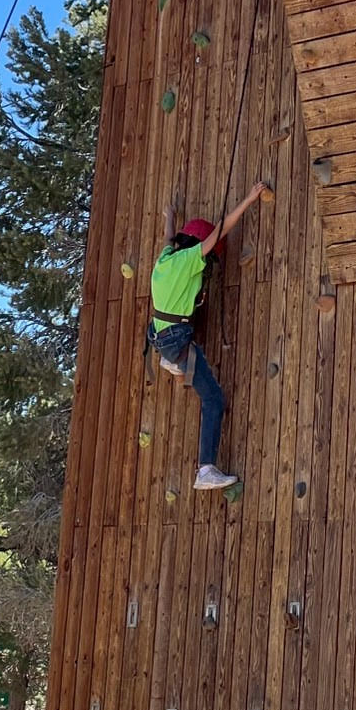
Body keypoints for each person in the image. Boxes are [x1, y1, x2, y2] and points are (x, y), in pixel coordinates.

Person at [147, 181, 272, 491]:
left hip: (160, 336)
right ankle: (205, 469)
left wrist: (169, 217)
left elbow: (167, 238)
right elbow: (222, 228)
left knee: (170, 342)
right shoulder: (190, 260)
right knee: (213, 398)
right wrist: (250, 197)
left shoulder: (164, 260)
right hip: (177, 340)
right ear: (197, 249)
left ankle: (168, 360)